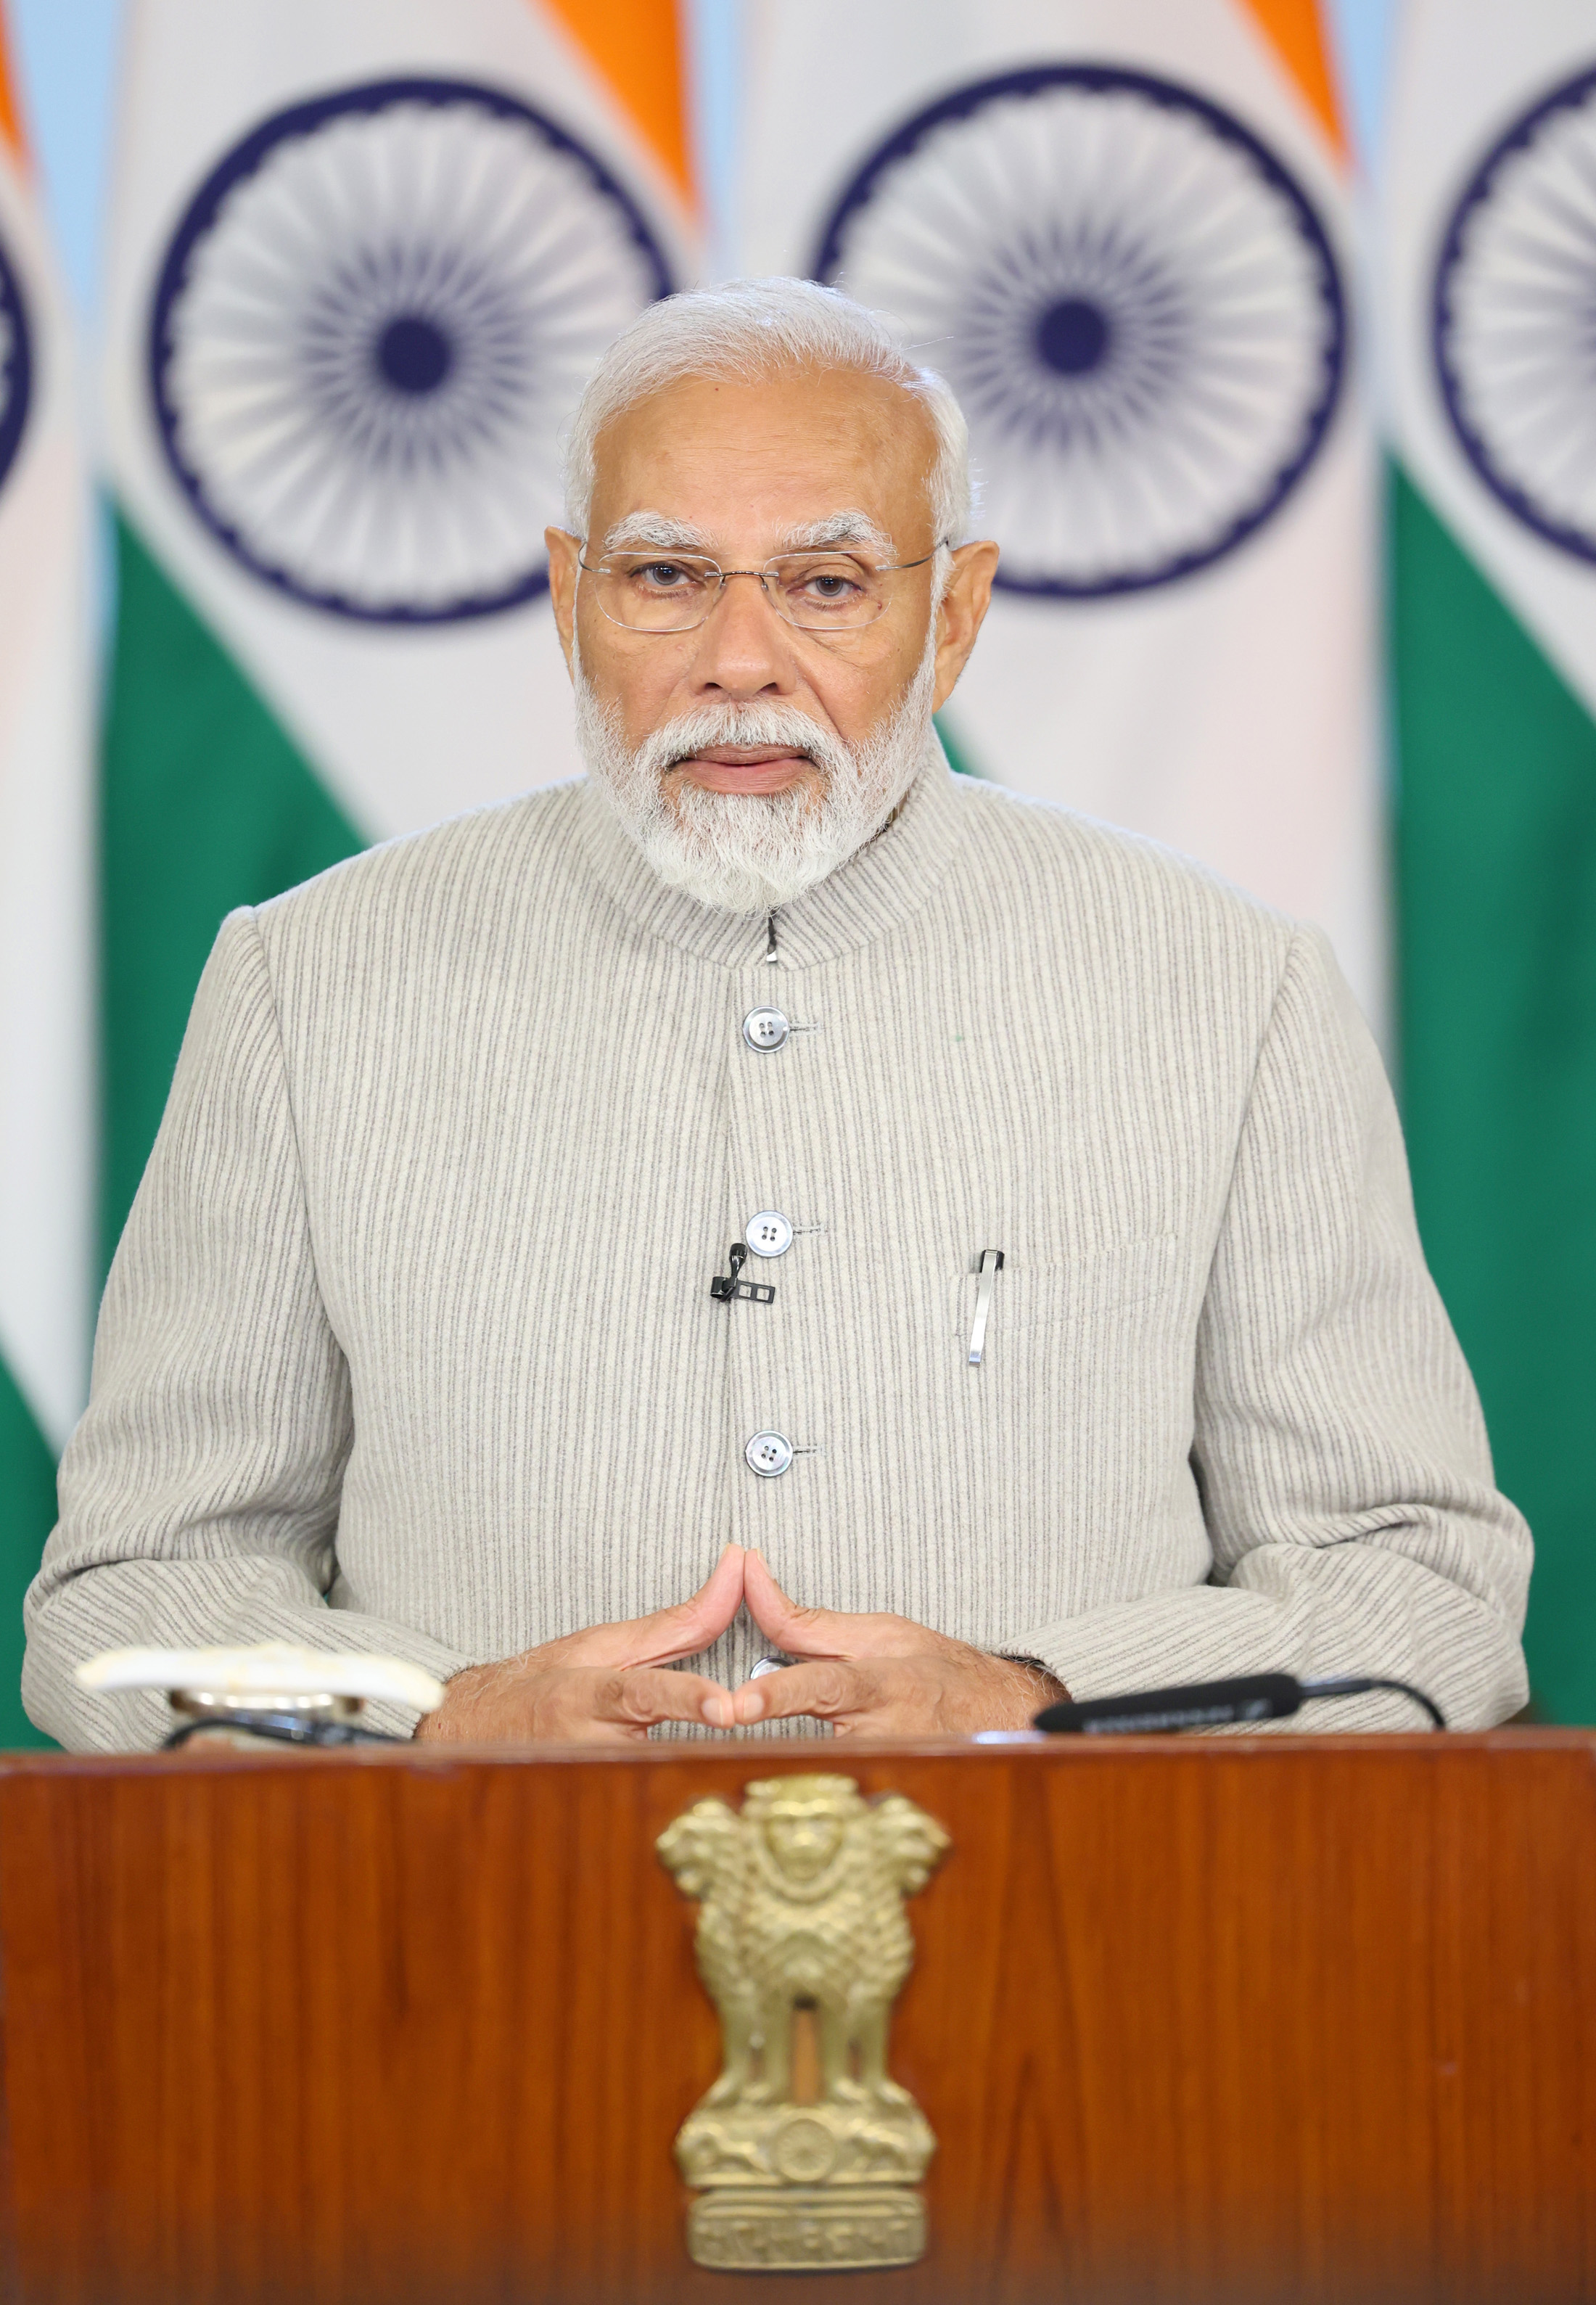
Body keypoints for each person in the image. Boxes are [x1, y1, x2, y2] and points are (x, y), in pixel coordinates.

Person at [23, 279, 1529, 1751]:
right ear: (568, 599)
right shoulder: (307, 979)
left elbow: (1419, 1588)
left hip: (1066, 1964)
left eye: (825, 583)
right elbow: (127, 1599)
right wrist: (444, 1717)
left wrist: (1028, 1691)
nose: (738, 663)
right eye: (665, 577)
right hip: (469, 1954)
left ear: (952, 617)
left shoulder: (1227, 983)